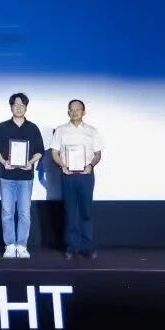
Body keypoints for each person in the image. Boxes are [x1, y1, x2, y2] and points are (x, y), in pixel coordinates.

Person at [0, 93, 45, 259]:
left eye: (22, 105)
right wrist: (3, 161)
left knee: (24, 213)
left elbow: (40, 151)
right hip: (6, 176)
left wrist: (31, 162)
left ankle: (21, 245)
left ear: (26, 107)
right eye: (16, 105)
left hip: (25, 177)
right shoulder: (2, 127)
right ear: (11, 107)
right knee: (7, 212)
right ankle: (9, 245)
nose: (19, 108)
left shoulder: (33, 128)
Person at [51, 99, 104, 260]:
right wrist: (62, 165)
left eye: (78, 109)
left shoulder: (92, 131)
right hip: (68, 175)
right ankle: (71, 247)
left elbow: (98, 154)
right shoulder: (60, 130)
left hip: (86, 175)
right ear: (68, 112)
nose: (74, 112)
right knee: (70, 211)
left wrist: (91, 165)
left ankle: (87, 246)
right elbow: (54, 152)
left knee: (86, 211)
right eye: (71, 109)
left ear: (83, 112)